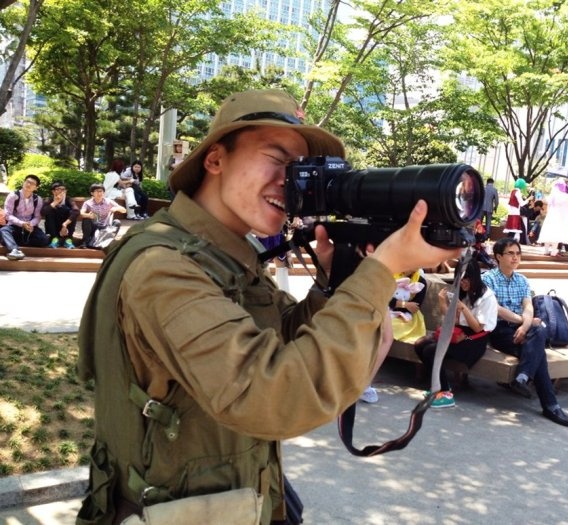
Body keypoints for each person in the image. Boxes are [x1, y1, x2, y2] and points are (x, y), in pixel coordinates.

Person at [76, 88, 461, 524]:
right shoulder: (163, 269)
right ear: (215, 159)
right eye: (277, 160)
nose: (290, 181)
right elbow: (275, 395)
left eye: (300, 170)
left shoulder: (224, 253)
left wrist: (342, 283)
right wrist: (383, 268)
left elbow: (282, 339)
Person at [482, 237, 568, 427]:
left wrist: (525, 326)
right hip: (499, 330)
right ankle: (550, 405)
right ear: (498, 256)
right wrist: (523, 322)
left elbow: (528, 305)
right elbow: (495, 309)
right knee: (538, 351)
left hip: (522, 329)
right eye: (510, 253)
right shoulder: (487, 278)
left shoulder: (522, 279)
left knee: (538, 332)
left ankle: (523, 378)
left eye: (518, 253)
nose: (515, 257)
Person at [413, 258, 498, 408]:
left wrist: (464, 308)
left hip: (474, 339)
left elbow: (478, 328)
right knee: (420, 345)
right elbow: (453, 321)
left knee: (431, 351)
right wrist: (442, 302)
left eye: (466, 279)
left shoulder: (487, 297)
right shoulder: (462, 292)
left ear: (475, 278)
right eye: (460, 278)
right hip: (459, 333)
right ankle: (436, 386)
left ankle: (445, 392)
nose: (463, 283)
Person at [0, 174, 50, 260]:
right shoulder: (13, 196)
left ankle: (14, 242)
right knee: (4, 230)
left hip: (29, 227)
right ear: (23, 183)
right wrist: (22, 223)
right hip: (14, 226)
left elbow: (37, 217)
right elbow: (8, 215)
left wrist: (30, 224)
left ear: (36, 188)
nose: (29, 184)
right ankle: (15, 250)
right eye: (27, 182)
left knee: (44, 240)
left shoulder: (38, 199)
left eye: (32, 184)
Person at [79, 183, 127, 248]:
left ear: (103, 192)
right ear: (92, 193)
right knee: (86, 219)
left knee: (117, 222)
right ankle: (85, 242)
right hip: (94, 226)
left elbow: (124, 210)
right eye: (97, 191)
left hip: (106, 226)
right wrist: (88, 215)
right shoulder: (87, 203)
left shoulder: (109, 201)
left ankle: (108, 241)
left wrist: (116, 208)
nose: (99, 193)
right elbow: (82, 213)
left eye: (101, 191)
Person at [538, 178, 568, 257]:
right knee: (557, 234)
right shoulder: (564, 196)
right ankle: (554, 251)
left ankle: (546, 250)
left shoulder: (553, 194)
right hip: (560, 218)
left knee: (548, 232)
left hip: (551, 217)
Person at [42, 181, 79, 249]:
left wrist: (65, 224)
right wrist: (55, 202)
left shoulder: (69, 199)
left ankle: (68, 239)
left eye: (63, 189)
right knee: (50, 210)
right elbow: (43, 212)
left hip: (66, 227)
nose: (61, 191)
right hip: (54, 227)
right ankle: (54, 239)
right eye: (58, 189)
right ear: (53, 192)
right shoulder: (49, 199)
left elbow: (76, 211)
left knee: (72, 213)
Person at [503, 178, 528, 242]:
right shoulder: (518, 192)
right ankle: (507, 244)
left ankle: (507, 243)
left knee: (511, 231)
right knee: (513, 231)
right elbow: (522, 203)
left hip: (511, 212)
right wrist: (528, 200)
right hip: (515, 213)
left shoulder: (513, 191)